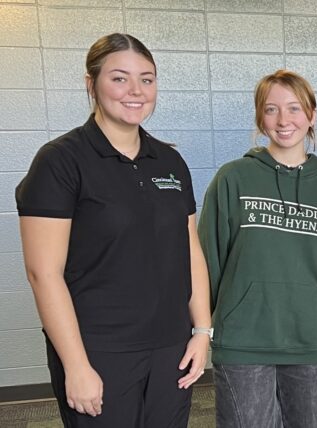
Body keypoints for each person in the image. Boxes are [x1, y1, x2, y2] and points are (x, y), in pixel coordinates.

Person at [16, 33, 211, 427]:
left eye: (147, 79)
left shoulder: (169, 162)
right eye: (119, 78)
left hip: (171, 348)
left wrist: (203, 330)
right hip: (99, 351)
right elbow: (43, 273)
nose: (136, 91)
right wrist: (76, 365)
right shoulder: (60, 161)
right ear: (91, 84)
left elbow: (189, 247)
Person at [198, 69, 317, 428]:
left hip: (308, 340)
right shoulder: (232, 178)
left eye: (294, 109)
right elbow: (207, 261)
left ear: (311, 116)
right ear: (259, 118)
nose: (284, 120)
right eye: (271, 110)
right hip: (243, 340)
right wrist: (204, 329)